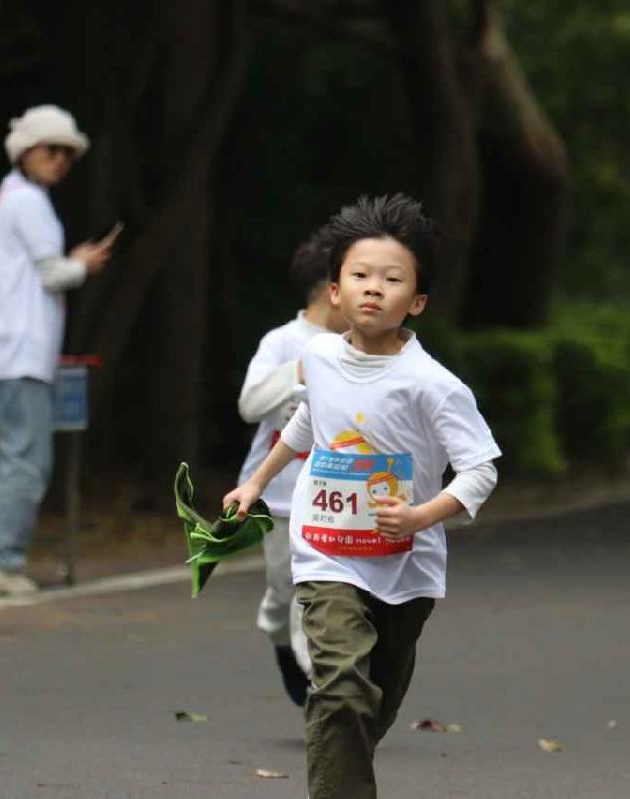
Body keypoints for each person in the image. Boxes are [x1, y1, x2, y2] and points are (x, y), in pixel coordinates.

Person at [224, 194, 500, 799]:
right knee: (340, 688)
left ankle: (344, 759)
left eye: (392, 279)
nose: (374, 288)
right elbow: (306, 423)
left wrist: (421, 516)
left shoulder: (433, 385)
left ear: (417, 301)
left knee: (371, 703)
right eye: (360, 275)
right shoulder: (318, 358)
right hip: (326, 551)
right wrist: (256, 482)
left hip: (406, 565)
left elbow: (480, 470)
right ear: (335, 291)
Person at [0, 104, 117, 594]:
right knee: (28, 459)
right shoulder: (29, 202)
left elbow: (40, 269)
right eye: (52, 150)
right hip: (20, 351)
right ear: (26, 151)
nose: (60, 160)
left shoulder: (13, 196)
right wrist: (82, 265)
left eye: (67, 154)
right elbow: (52, 274)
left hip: (9, 350)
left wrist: (69, 262)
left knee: (17, 455)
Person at [236, 231, 348, 707]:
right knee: (285, 596)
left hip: (340, 500)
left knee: (319, 594)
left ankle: (327, 693)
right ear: (330, 290)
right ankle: (280, 638)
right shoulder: (282, 342)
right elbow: (250, 405)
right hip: (280, 496)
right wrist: (300, 370)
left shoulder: (364, 345)